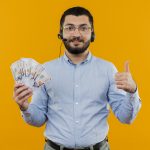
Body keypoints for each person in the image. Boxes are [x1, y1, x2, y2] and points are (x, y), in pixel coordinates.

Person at [13, 6, 141, 150]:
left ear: (92, 33)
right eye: (70, 28)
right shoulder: (46, 70)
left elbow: (126, 117)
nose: (76, 33)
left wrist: (132, 91)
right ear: (61, 33)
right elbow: (38, 119)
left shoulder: (107, 69)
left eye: (83, 28)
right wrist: (25, 107)